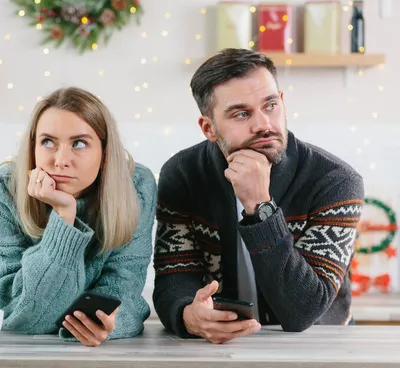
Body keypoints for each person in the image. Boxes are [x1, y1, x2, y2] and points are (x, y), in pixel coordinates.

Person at [152, 48, 364, 344]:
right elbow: (173, 280)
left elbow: (303, 312)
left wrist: (259, 206)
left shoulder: (334, 182)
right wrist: (189, 315)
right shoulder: (183, 174)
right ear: (208, 128)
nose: (263, 124)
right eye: (241, 113)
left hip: (320, 346)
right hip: (220, 347)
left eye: (270, 105)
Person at [0, 87, 157, 347]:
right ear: (33, 147)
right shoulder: (2, 189)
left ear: (105, 153)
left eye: (79, 143)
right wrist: (64, 214)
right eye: (48, 142)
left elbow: (125, 287)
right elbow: (27, 314)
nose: (60, 160)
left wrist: (107, 323)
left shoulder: (136, 188)